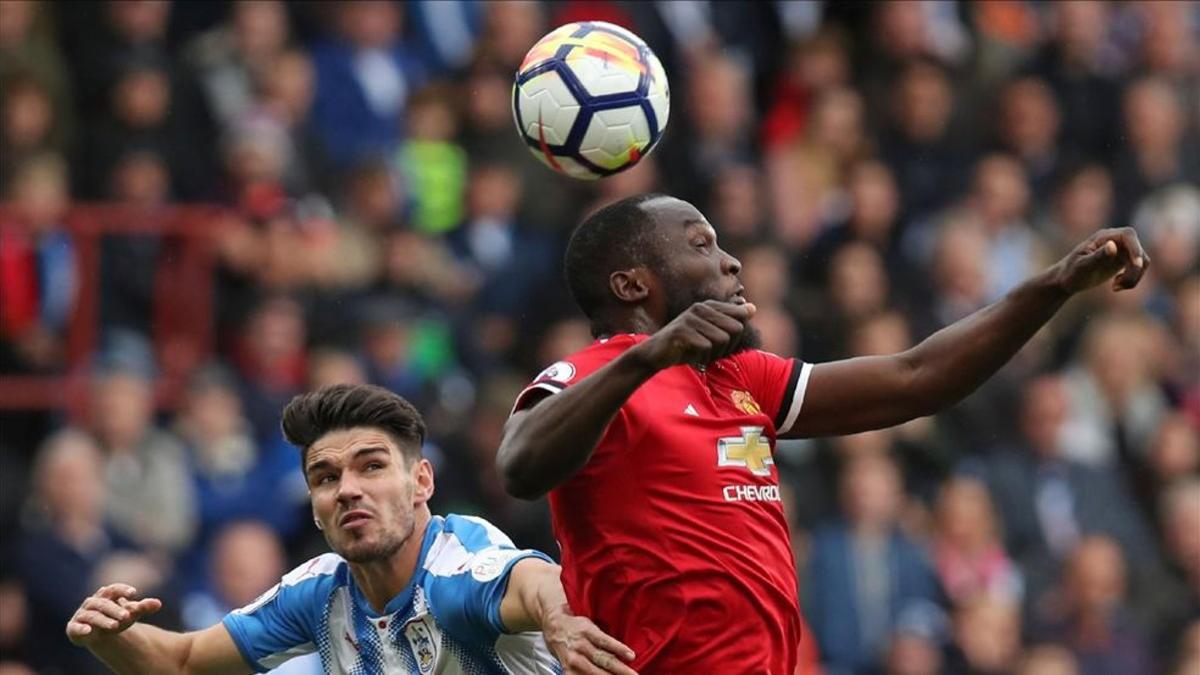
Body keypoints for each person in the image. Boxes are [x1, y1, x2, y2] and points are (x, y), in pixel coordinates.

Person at [497, 193, 1149, 673]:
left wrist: (1054, 286)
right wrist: (646, 357)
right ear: (631, 282)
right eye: (700, 245)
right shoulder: (593, 374)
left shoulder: (741, 378)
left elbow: (916, 376)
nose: (730, 262)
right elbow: (520, 465)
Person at [66, 384, 636, 675]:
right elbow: (184, 663)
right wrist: (109, 638)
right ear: (314, 503)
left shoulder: (455, 567)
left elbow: (530, 579)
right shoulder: (318, 592)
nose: (347, 489)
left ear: (422, 483)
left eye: (371, 466)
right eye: (325, 475)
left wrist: (559, 620)